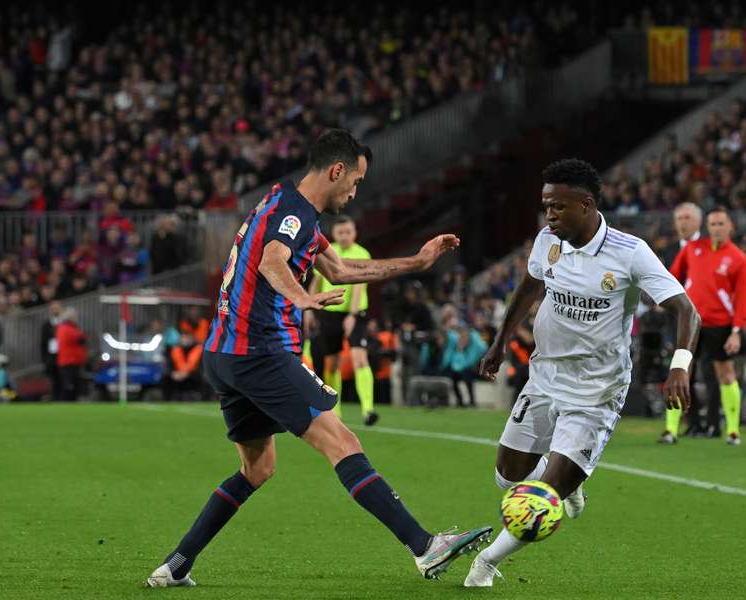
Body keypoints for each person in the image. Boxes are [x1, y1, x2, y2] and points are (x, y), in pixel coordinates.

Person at [147, 129, 490, 588]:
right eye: (356, 180)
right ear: (336, 171)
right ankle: (425, 547)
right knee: (343, 443)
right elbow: (273, 261)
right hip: (261, 353)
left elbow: (342, 270)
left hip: (224, 355)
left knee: (257, 468)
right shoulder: (294, 214)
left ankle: (175, 565)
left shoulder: (286, 204)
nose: (355, 190)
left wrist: (417, 262)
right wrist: (301, 299)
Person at [464, 159, 699, 587]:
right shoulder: (546, 241)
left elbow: (686, 309)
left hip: (596, 391)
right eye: (545, 206)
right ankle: (570, 483)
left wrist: (679, 366)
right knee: (508, 476)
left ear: (586, 205)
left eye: (557, 207)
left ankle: (486, 564)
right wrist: (500, 342)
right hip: (545, 378)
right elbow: (531, 286)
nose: (548, 215)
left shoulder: (630, 252)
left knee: (538, 501)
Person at [662, 206, 746, 446]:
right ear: (707, 227)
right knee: (681, 371)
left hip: (720, 324)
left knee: (725, 373)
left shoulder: (738, 257)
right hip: (691, 322)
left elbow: (742, 297)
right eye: (713, 224)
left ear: (730, 226)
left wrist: (736, 331)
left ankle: (732, 431)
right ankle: (671, 429)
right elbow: (671, 276)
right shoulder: (692, 249)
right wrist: (671, 302)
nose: (717, 228)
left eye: (721, 224)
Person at [310, 216, 379, 425]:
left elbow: (359, 287)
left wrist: (352, 315)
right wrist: (310, 307)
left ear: (355, 232)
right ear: (334, 234)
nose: (345, 236)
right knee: (332, 364)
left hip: (356, 314)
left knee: (360, 358)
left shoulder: (362, 254)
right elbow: (317, 281)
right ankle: (335, 411)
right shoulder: (327, 253)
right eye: (341, 232)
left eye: (348, 232)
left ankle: (368, 410)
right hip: (330, 313)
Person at [56, 307, 87, 402]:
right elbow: (81, 339)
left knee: (71, 385)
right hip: (70, 361)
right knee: (70, 386)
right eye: (74, 316)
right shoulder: (68, 329)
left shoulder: (63, 328)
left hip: (69, 361)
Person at [40, 300, 63, 400]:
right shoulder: (46, 325)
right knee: (53, 379)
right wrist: (44, 359)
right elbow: (43, 343)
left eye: (57, 308)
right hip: (51, 357)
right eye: (53, 308)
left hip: (63, 355)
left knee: (63, 378)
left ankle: (63, 399)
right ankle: (54, 398)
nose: (55, 310)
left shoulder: (65, 323)